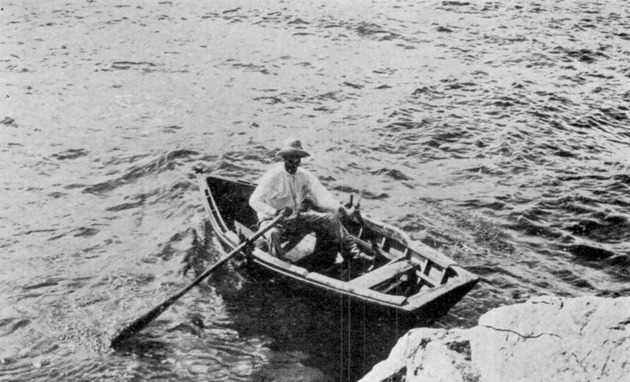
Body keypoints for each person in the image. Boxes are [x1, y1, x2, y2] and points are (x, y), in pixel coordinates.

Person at [249, 138, 372, 265]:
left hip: (295, 218)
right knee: (273, 234)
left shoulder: (305, 176)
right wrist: (275, 212)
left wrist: (340, 209)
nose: (294, 162)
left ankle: (354, 254)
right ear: (284, 158)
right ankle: (281, 264)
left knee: (330, 219)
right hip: (272, 222)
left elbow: (322, 196)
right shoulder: (272, 176)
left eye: (298, 158)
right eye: (291, 158)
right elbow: (254, 200)